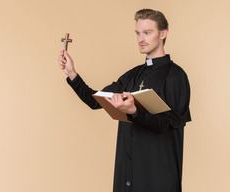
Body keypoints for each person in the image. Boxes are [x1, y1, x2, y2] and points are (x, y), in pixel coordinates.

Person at [58, 8, 191, 192]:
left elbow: (165, 125)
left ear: (163, 34)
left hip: (158, 179)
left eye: (147, 32)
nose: (140, 39)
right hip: (128, 179)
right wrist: (72, 74)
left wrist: (134, 112)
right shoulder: (132, 76)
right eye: (137, 33)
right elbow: (96, 101)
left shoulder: (176, 76)